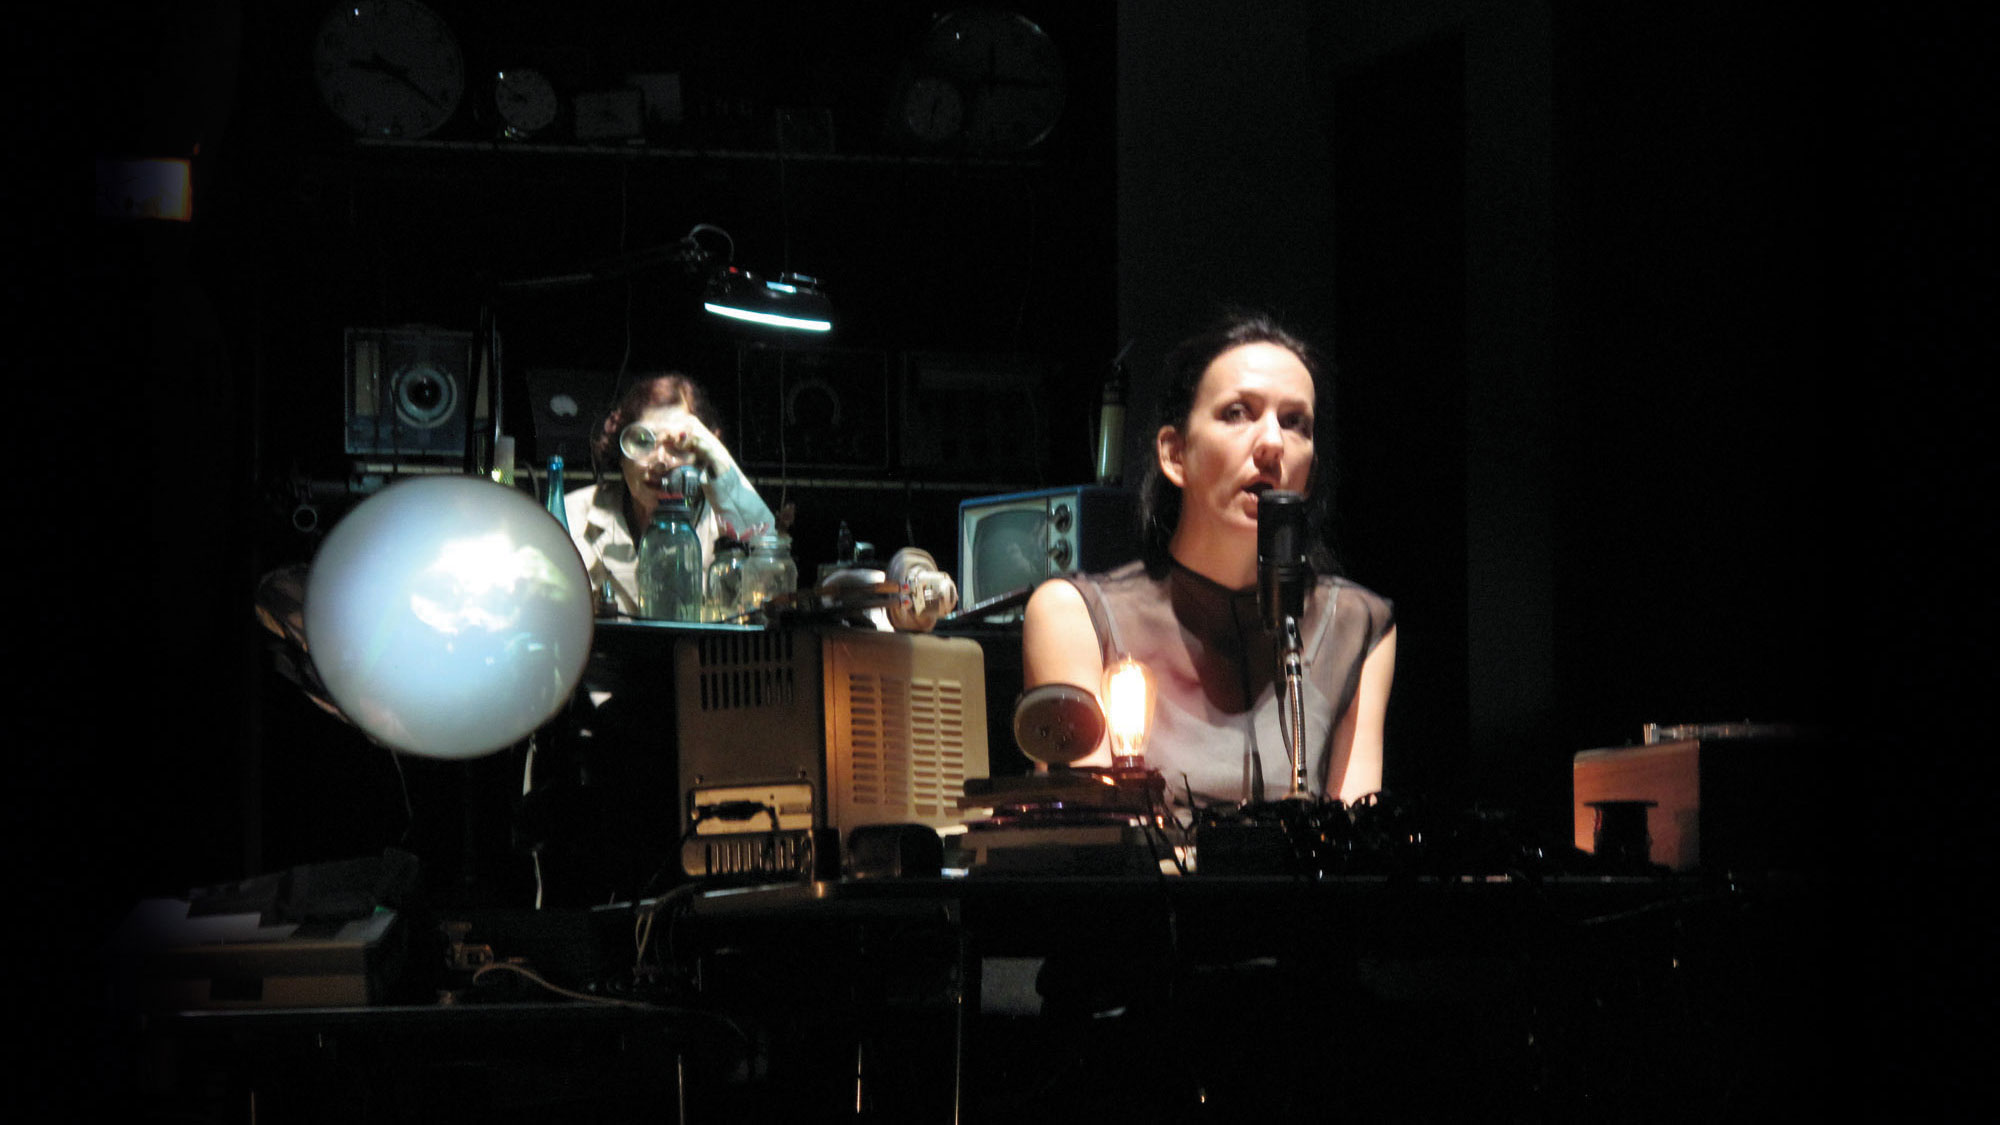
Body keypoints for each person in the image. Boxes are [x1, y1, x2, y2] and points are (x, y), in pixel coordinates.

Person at [1022, 311, 1396, 813]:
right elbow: (1098, 842)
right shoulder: (1073, 615)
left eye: (1294, 423)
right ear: (1175, 455)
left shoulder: (1357, 624)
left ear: (1308, 478)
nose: (1271, 444)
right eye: (1238, 413)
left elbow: (1354, 838)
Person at [564, 373, 775, 615]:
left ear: (701, 458)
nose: (661, 462)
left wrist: (718, 456)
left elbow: (771, 565)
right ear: (621, 451)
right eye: (643, 441)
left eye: (679, 447)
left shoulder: (724, 518)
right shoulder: (572, 516)